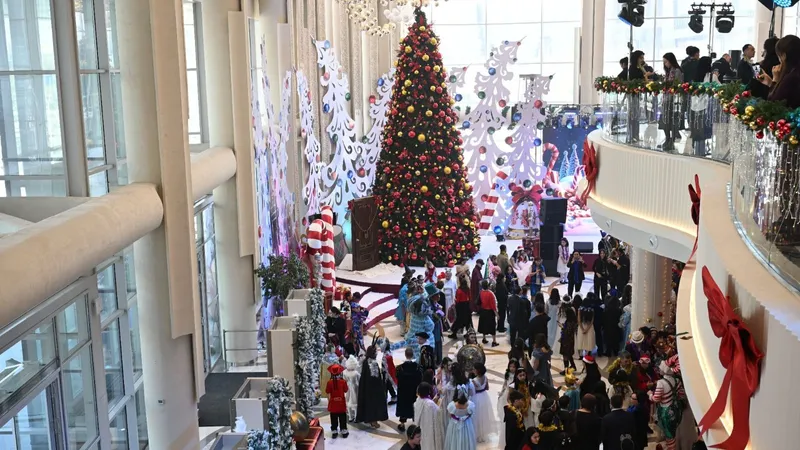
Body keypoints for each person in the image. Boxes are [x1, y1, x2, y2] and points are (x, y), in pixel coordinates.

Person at [650, 356, 685, 450]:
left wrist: (650, 395)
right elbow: (681, 394)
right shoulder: (676, 380)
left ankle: (671, 448)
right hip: (675, 409)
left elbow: (656, 399)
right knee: (672, 432)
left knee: (669, 435)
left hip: (665, 412)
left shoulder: (661, 383)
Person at [755, 35, 800, 108]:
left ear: (783, 56)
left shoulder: (792, 77)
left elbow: (773, 106)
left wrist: (775, 79)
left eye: (779, 56)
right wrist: (770, 83)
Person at [356, 345, 389, 427]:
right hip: (373, 389)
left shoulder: (365, 361)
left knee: (368, 404)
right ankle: (374, 420)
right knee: (374, 404)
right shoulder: (373, 363)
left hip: (366, 387)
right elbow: (375, 378)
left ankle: (370, 419)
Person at [440, 362, 475, 432]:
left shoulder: (451, 383)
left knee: (454, 423)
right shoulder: (467, 382)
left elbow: (443, 392)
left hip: (454, 406)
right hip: (465, 405)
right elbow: (472, 393)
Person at [660, 52, 684, 151]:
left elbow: (678, 85)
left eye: (666, 61)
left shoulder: (677, 71)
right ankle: (667, 138)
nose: (665, 64)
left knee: (672, 120)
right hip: (666, 99)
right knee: (665, 120)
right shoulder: (668, 72)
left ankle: (672, 139)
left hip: (673, 100)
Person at [406, 282, 436, 359]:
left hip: (412, 337)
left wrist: (423, 292)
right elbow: (431, 326)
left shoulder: (414, 312)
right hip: (423, 340)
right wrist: (439, 314)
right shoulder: (424, 317)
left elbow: (420, 300)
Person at [396, 347, 423, 431]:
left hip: (403, 392)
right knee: (414, 406)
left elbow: (397, 378)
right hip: (413, 392)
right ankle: (415, 422)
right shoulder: (418, 368)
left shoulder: (399, 368)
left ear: (405, 355)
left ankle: (402, 423)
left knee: (404, 406)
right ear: (413, 354)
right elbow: (420, 379)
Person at [470, 362, 496, 442]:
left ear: (477, 370)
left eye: (474, 369)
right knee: (483, 415)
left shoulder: (473, 380)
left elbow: (471, 391)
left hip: (476, 398)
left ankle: (477, 435)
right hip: (484, 397)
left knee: (477, 416)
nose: (473, 370)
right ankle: (483, 434)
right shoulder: (485, 378)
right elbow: (487, 388)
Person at [414, 382, 443, 450]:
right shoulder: (430, 404)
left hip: (421, 428)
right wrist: (441, 402)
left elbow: (426, 403)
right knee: (430, 444)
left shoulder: (417, 401)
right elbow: (439, 412)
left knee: (423, 444)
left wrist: (434, 400)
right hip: (429, 428)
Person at [326, 363, 349, 438]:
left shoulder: (329, 382)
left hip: (333, 403)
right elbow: (346, 390)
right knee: (343, 417)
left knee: (333, 418)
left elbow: (327, 392)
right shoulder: (343, 382)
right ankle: (344, 431)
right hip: (341, 403)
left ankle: (334, 431)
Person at [477, 280, 500, 347]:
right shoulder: (490, 294)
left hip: (483, 311)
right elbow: (493, 305)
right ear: (488, 286)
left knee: (483, 325)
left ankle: (484, 338)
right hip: (490, 312)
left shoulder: (481, 292)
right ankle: (494, 341)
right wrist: (497, 314)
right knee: (492, 327)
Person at [559, 305, 578, 371]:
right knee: (569, 354)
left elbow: (567, 331)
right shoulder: (574, 321)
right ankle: (573, 366)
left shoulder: (569, 322)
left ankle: (566, 370)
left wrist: (562, 327)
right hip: (571, 340)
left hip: (566, 340)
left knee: (565, 355)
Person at [343, 355, 360, 422]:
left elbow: (344, 380)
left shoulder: (344, 372)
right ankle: (356, 416)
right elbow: (359, 381)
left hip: (347, 387)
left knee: (347, 401)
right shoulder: (356, 373)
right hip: (355, 388)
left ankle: (350, 416)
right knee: (355, 402)